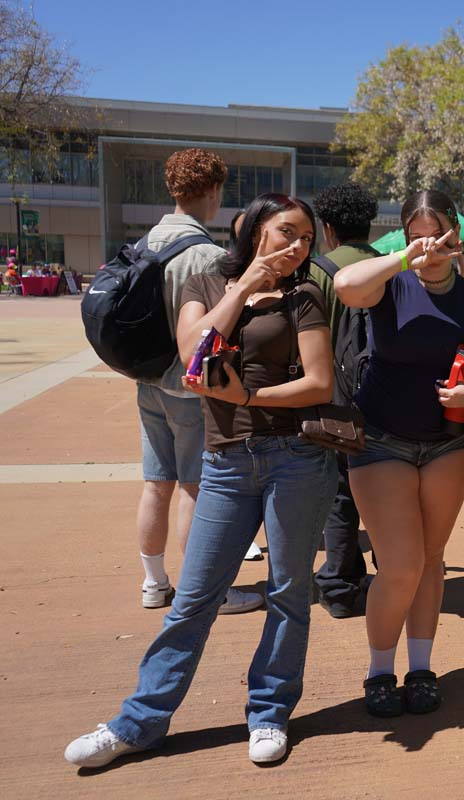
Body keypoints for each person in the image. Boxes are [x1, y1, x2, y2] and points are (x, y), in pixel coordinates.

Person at [64, 193, 339, 767]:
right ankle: (139, 722)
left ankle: (269, 712)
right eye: (287, 232)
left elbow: (318, 383)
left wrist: (249, 395)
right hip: (226, 462)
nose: (298, 247)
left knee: (289, 593)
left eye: (307, 239)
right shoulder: (209, 283)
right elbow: (194, 351)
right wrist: (243, 288)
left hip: (296, 458)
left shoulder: (305, 295)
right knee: (192, 599)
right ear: (256, 229)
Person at [333, 190, 464, 717]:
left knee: (430, 561)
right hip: (381, 439)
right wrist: (406, 258)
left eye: (438, 233)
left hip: (448, 442)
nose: (429, 244)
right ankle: (379, 671)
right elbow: (343, 285)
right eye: (416, 234)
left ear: (457, 233)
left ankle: (421, 667)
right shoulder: (390, 283)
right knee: (399, 565)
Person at [132, 149, 263, 615]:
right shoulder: (206, 254)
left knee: (156, 484)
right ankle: (202, 591)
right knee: (194, 486)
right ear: (212, 191)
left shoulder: (146, 242)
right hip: (191, 386)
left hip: (147, 380)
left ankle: (154, 583)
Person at [310, 181, 381, 619]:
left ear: (329, 228)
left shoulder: (318, 270)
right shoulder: (392, 267)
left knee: (339, 493)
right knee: (385, 490)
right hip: (387, 399)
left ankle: (339, 584)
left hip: (334, 400)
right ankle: (392, 570)